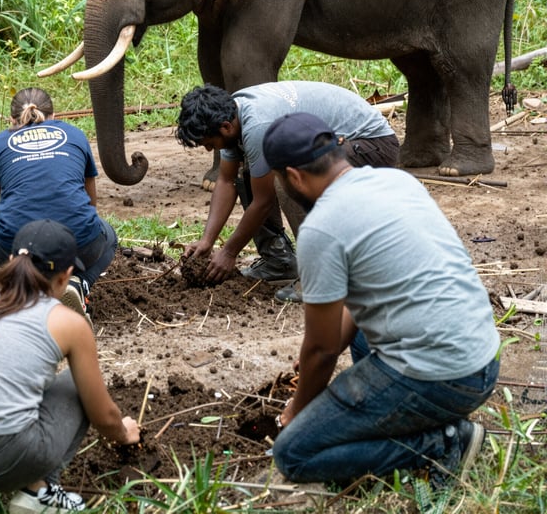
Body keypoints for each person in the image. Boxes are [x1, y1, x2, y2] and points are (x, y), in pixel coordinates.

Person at [263, 112, 499, 489]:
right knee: (356, 336)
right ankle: (413, 418)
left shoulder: (321, 228)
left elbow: (321, 350)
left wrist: (299, 410)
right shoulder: (395, 180)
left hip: (443, 377)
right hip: (481, 358)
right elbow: (353, 312)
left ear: (292, 176)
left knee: (295, 454)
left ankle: (442, 444)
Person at [0, 219, 140, 513]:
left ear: (12, 261)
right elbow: (102, 414)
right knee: (74, 384)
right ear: (65, 278)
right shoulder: (69, 323)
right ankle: (37, 493)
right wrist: (125, 433)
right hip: (5, 458)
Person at [175, 82, 398, 299]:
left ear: (225, 127)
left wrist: (229, 252)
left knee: (289, 180)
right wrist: (207, 241)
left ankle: (318, 274)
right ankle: (278, 262)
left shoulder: (256, 125)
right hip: (339, 147)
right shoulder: (232, 115)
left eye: (210, 144)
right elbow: (226, 181)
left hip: (370, 144)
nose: (208, 149)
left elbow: (263, 201)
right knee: (251, 176)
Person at [0, 88, 117, 321]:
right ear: (54, 116)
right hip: (81, 243)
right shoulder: (75, 135)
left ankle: (25, 291)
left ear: (12, 120)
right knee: (108, 235)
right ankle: (77, 283)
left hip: (18, 248)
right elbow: (90, 205)